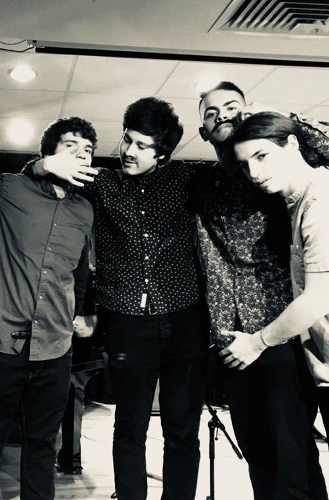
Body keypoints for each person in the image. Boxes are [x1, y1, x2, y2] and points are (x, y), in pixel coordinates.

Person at [26, 97, 209, 500]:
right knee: (129, 426)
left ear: (162, 154)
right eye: (128, 139)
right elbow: (33, 179)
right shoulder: (102, 183)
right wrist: (42, 164)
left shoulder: (184, 179)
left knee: (182, 428)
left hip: (183, 320)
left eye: (143, 145)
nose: (129, 150)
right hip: (127, 323)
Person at [195, 82, 329, 499]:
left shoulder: (292, 183)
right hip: (233, 337)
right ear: (202, 130)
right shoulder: (203, 183)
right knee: (258, 455)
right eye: (211, 112)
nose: (222, 115)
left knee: (292, 457)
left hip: (281, 331)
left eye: (231, 107)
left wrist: (285, 120)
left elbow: (319, 148)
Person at [0, 117, 97, 500]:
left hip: (55, 347)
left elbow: (79, 270)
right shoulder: (10, 188)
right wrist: (38, 167)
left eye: (87, 150)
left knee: (42, 446)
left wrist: (84, 311)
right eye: (71, 146)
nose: (80, 155)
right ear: (49, 152)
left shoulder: (85, 210)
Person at [222, 111, 329, 386]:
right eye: (245, 165)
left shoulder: (320, 201)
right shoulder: (297, 202)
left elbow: (318, 298)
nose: (254, 173)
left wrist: (256, 343)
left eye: (262, 156)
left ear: (292, 145)